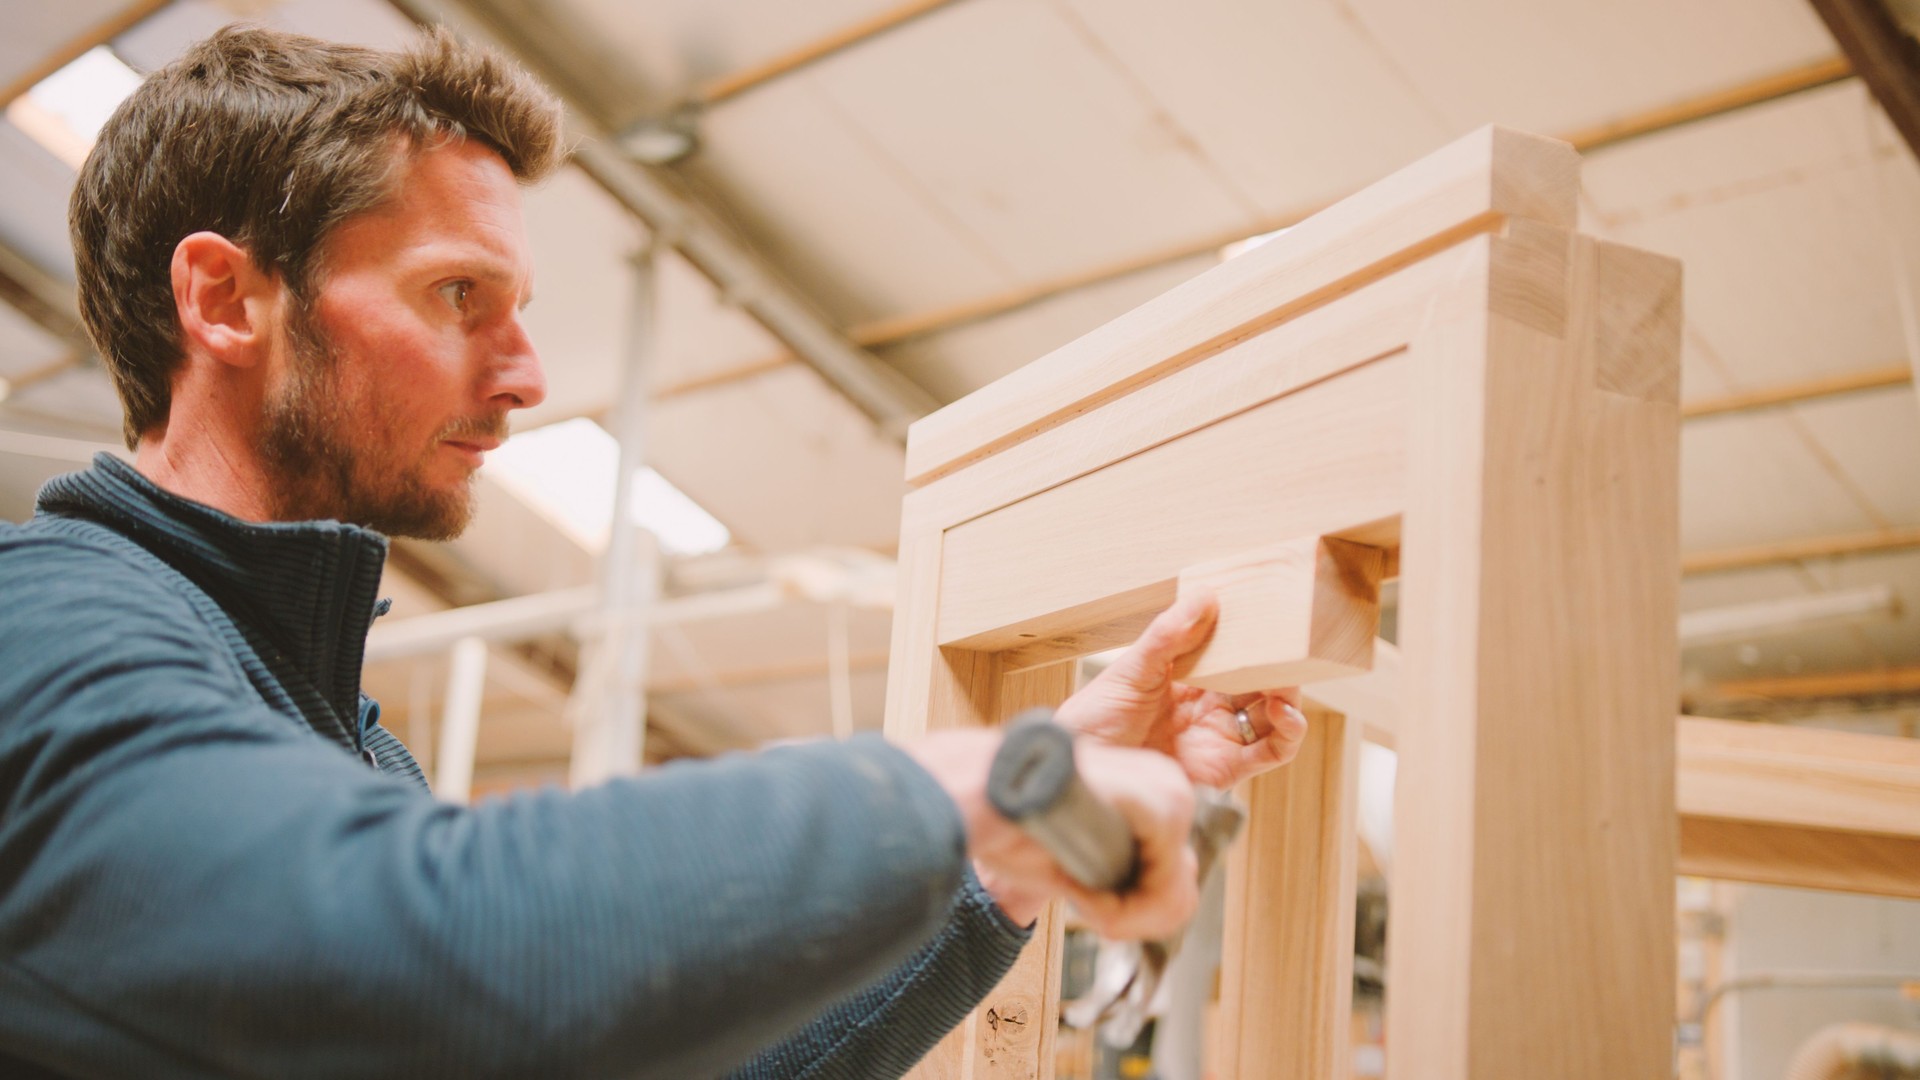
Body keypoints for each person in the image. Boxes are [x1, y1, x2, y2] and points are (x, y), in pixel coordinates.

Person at [0, 24, 1308, 1080]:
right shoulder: (47, 621)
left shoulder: (339, 736)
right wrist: (960, 784)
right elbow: (391, 950)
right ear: (228, 299)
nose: (524, 374)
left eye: (520, 309)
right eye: (460, 295)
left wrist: (996, 865)